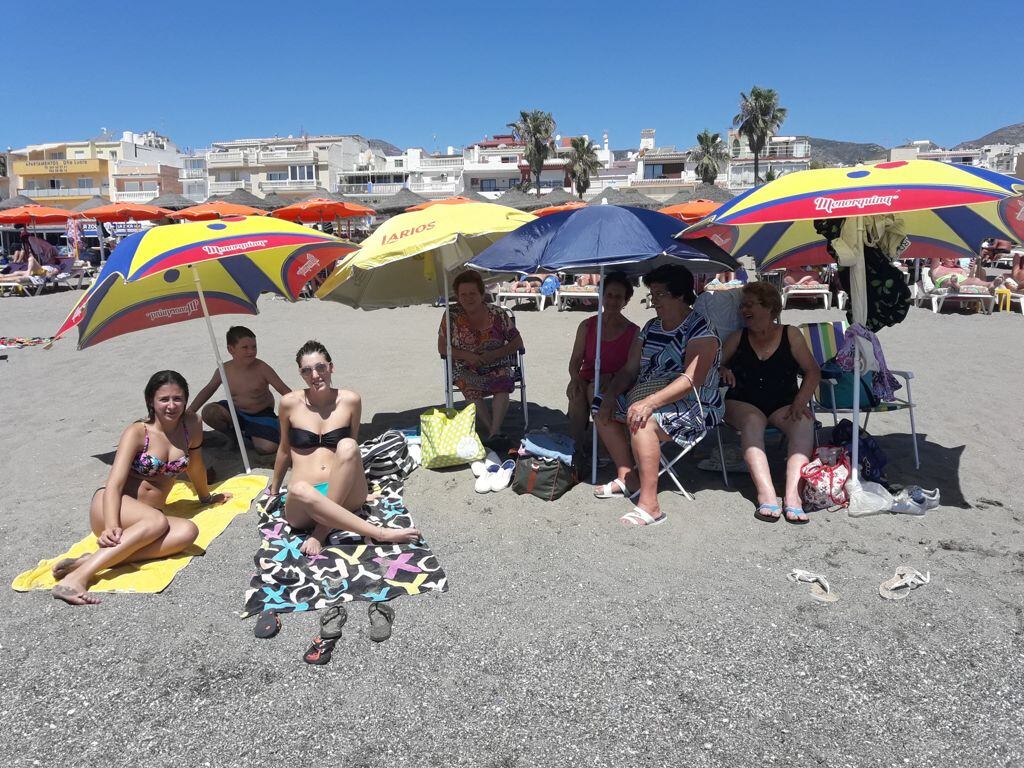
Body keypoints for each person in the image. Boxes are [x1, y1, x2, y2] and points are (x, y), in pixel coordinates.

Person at [51, 371, 229, 605]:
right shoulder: (138, 432)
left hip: (149, 518)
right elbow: (114, 484)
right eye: (163, 399)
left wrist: (205, 497)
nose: (171, 405)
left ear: (186, 399)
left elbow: (195, 465)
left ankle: (90, 560)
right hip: (113, 506)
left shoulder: (192, 424)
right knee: (157, 522)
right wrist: (111, 526)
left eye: (178, 398)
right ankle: (76, 578)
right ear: (151, 402)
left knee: (188, 532)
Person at [592, 264, 724, 527]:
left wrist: (649, 403)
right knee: (599, 406)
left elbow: (691, 380)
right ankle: (628, 476)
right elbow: (630, 368)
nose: (653, 302)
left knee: (644, 421)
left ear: (680, 295)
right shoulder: (651, 327)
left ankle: (651, 506)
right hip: (649, 394)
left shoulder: (701, 329)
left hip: (696, 405)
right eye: (652, 295)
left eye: (659, 295)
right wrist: (609, 396)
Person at [268, 340, 420, 557]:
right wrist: (273, 490)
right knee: (299, 488)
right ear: (301, 374)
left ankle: (322, 530)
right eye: (307, 370)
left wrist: (361, 489)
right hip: (304, 505)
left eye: (321, 367)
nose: (315, 375)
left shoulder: (350, 400)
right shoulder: (289, 403)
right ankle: (381, 534)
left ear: (331, 367)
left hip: (345, 493)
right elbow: (284, 449)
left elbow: (351, 452)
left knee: (348, 444)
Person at [719, 283, 821, 524]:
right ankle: (766, 493)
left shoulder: (791, 334)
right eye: (743, 306)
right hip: (742, 401)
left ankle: (793, 495)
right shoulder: (737, 337)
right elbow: (713, 364)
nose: (744, 310)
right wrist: (723, 368)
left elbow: (812, 371)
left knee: (804, 422)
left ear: (770, 307)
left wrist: (800, 401)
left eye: (750, 305)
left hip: (782, 402)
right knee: (753, 421)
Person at [438, 270, 525, 441]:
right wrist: (466, 356)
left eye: (472, 293)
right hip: (465, 366)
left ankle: (495, 431)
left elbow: (517, 342)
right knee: (470, 387)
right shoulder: (451, 315)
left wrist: (495, 354)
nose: (468, 298)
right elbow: (442, 347)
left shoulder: (498, 314)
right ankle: (491, 429)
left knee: (502, 385)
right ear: (457, 295)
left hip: (497, 364)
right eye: (463, 294)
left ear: (482, 293)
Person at [187, 326, 290, 454]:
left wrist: (302, 407)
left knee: (266, 448)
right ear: (231, 349)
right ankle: (233, 437)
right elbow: (209, 389)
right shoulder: (224, 369)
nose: (251, 351)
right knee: (209, 412)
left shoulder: (262, 368)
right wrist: (191, 409)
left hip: (261, 413)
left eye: (254, 347)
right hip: (236, 412)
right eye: (245, 347)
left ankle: (260, 430)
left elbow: (283, 389)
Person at [566, 272, 639, 444]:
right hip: (588, 377)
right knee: (577, 394)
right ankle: (577, 448)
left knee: (595, 390)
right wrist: (575, 378)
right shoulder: (587, 326)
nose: (613, 301)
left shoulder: (634, 332)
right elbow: (575, 360)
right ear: (602, 296)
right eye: (609, 295)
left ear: (626, 301)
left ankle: (607, 446)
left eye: (618, 297)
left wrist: (612, 377)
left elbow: (632, 368)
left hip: (617, 382)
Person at [929, 256, 996, 291]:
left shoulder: (960, 269)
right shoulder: (937, 268)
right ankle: (954, 285)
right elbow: (935, 255)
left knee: (975, 280)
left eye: (955, 258)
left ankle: (990, 284)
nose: (953, 260)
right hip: (945, 281)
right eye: (950, 258)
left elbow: (968, 279)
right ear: (942, 259)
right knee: (948, 281)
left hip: (960, 281)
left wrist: (972, 270)